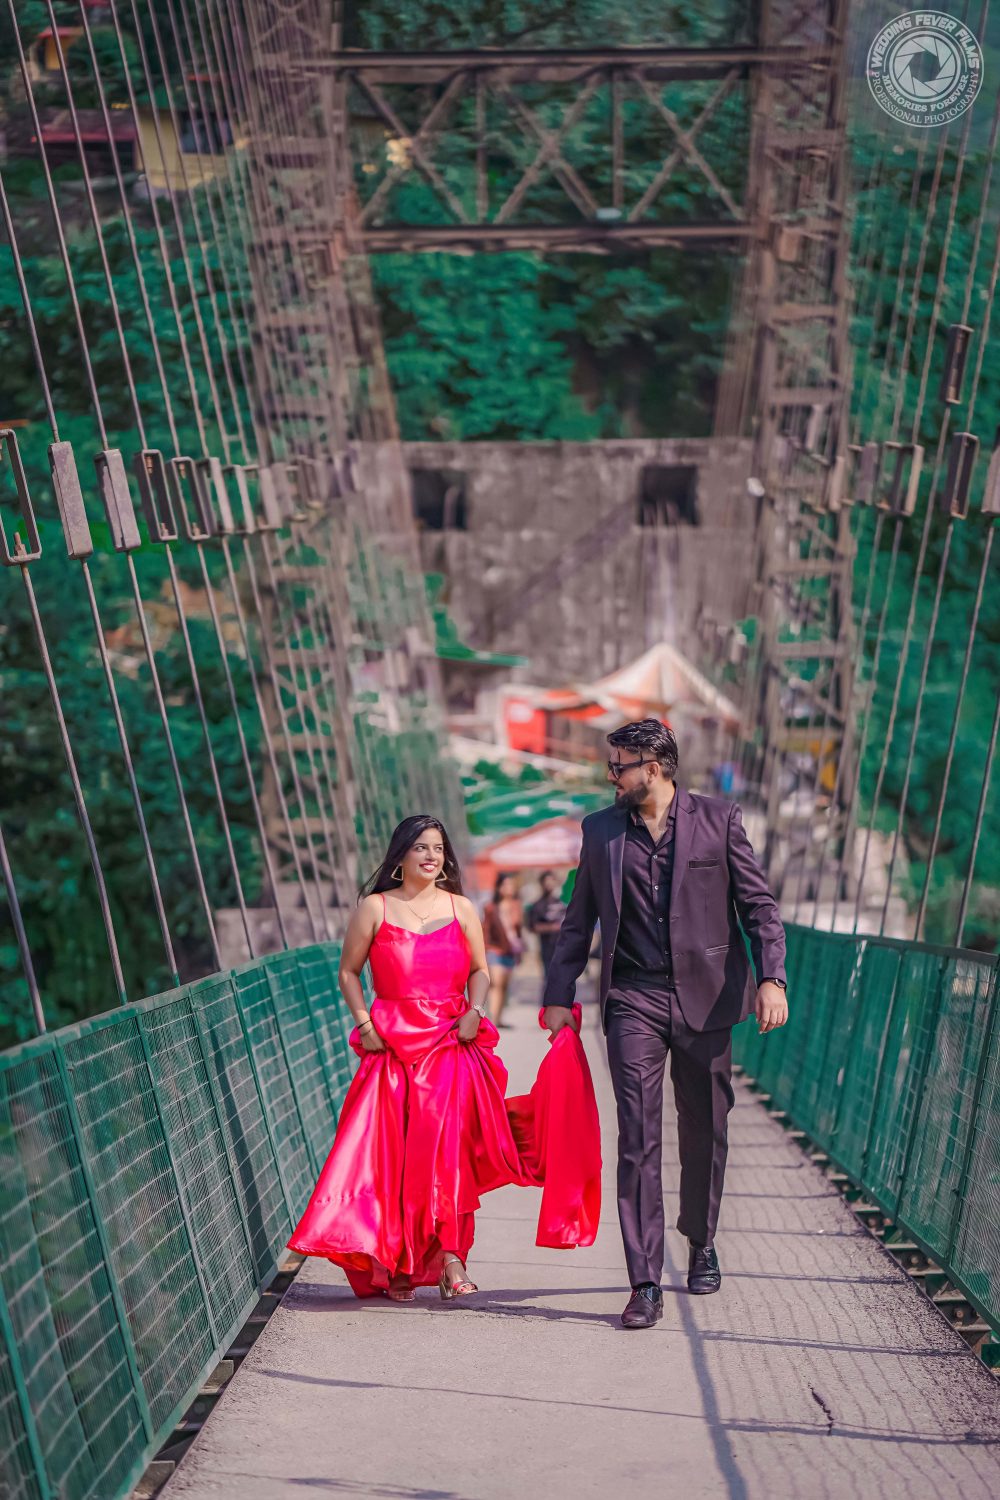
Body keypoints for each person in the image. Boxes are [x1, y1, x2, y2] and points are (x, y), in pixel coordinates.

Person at [288, 816, 602, 1302]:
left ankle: (451, 1259)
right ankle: (396, 1262)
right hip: (390, 1049)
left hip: (450, 1044)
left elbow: (480, 970)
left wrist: (476, 1011)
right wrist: (365, 1024)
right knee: (391, 1158)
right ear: (400, 857)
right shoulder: (374, 908)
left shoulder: (461, 908)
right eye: (420, 848)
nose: (431, 856)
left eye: (438, 848)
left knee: (449, 1153)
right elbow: (348, 972)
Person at [542, 718, 789, 1330]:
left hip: (707, 1000)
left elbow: (758, 907)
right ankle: (644, 1280)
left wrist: (771, 978)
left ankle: (701, 1241)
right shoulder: (600, 832)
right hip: (634, 999)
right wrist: (557, 992)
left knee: (706, 1128)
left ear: (653, 768)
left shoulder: (719, 820)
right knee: (638, 1136)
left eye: (618, 764)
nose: (610, 774)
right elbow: (580, 920)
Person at [483, 872, 524, 1025]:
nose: (509, 888)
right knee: (496, 984)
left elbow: (518, 931)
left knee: (504, 986)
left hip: (510, 951)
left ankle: (498, 1019)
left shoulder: (516, 906)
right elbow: (485, 930)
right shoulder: (491, 908)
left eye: (511, 885)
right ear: (499, 887)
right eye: (506, 885)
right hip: (495, 949)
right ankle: (492, 1020)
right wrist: (485, 949)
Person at [527, 870, 567, 979]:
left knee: (563, 979)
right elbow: (533, 927)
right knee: (549, 978)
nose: (549, 884)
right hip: (547, 950)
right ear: (541, 883)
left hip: (562, 948)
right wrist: (553, 927)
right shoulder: (536, 906)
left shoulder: (561, 904)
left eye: (551, 880)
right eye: (546, 881)